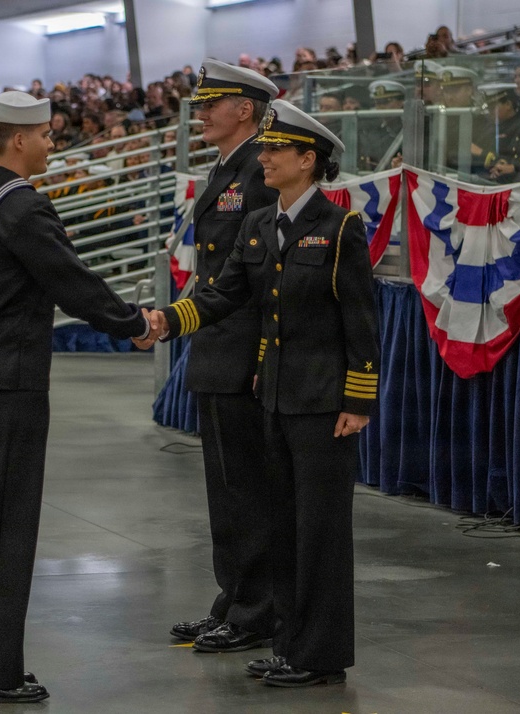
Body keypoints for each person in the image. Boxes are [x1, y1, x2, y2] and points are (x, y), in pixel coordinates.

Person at [146, 99, 380, 687]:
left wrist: (358, 402)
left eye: (278, 150)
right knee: (283, 528)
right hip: (273, 397)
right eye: (267, 147)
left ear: (308, 160)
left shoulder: (340, 228)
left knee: (321, 535)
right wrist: (166, 321)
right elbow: (224, 295)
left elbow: (361, 324)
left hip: (324, 405)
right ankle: (291, 644)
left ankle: (320, 656)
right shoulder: (258, 224)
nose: (266, 158)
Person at [0, 90, 152, 704]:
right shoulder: (21, 204)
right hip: (11, 381)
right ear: (19, 139)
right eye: (46, 135)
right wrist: (134, 322)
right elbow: (70, 282)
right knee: (6, 526)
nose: (52, 144)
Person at [165, 59, 280, 654]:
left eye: (213, 104)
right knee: (225, 489)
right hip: (218, 343)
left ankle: (257, 611)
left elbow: (263, 277)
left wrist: (262, 354)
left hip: (243, 349)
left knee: (247, 490)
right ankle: (233, 599)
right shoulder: (229, 166)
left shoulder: (261, 170)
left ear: (245, 109)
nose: (203, 114)